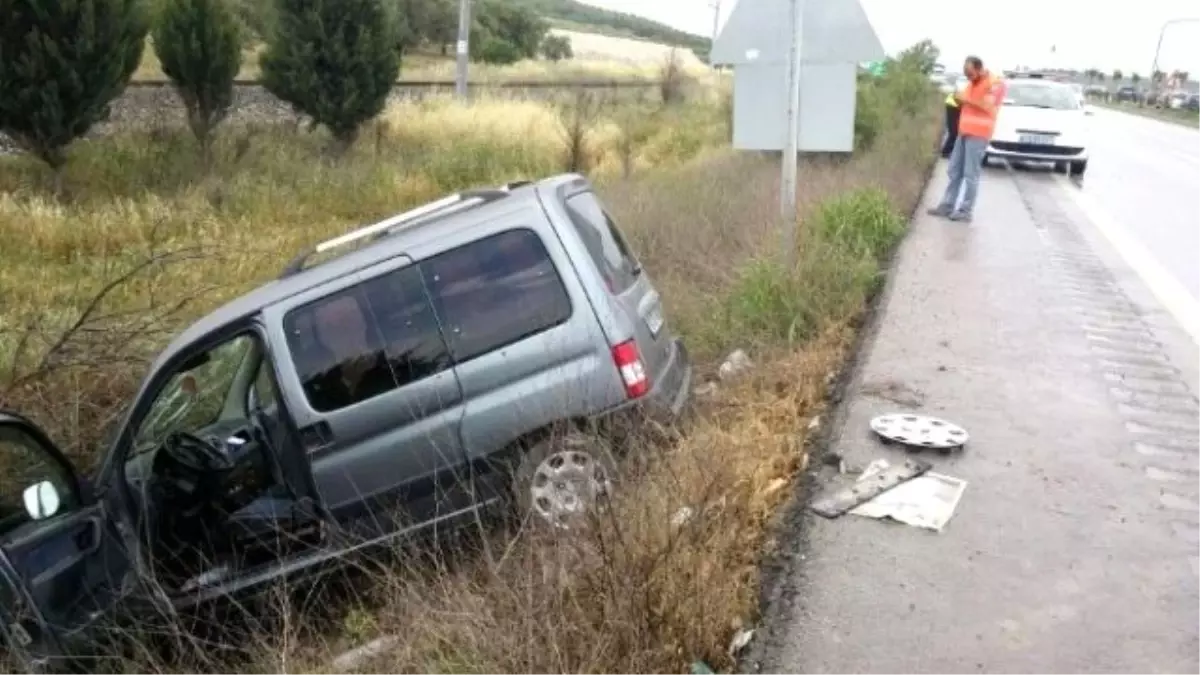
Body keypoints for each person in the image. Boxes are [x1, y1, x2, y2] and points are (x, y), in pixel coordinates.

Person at [928, 56, 1005, 223]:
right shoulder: (972, 83)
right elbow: (967, 103)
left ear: (979, 69)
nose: (968, 77)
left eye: (970, 73)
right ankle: (947, 205)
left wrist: (965, 99)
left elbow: (987, 105)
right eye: (966, 74)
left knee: (971, 174)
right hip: (964, 132)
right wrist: (958, 100)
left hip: (979, 134)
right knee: (954, 170)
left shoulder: (995, 83)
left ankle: (965, 210)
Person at [941, 87, 961, 158]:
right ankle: (945, 151)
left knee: (954, 131)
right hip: (953, 105)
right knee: (954, 132)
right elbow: (958, 97)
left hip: (953, 105)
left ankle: (947, 151)